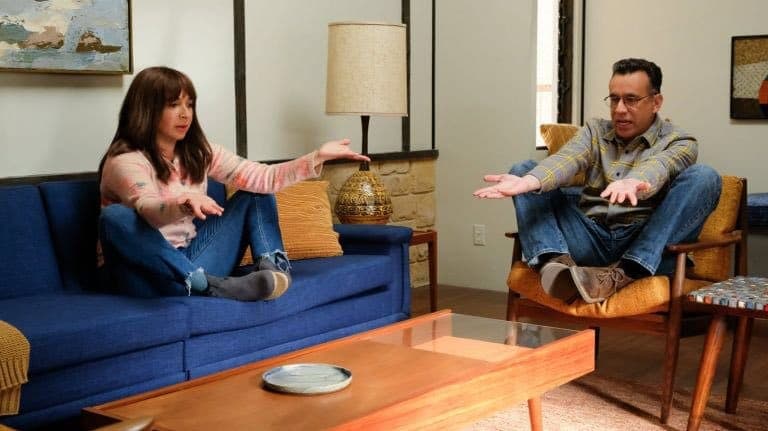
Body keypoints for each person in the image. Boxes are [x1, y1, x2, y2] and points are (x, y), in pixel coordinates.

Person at [97, 66, 369, 301]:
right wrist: (182, 204)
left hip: (196, 263)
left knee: (256, 193)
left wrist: (316, 157)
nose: (185, 114)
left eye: (189, 104)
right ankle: (208, 285)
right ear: (146, 109)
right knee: (115, 217)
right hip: (146, 275)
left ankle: (273, 274)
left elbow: (263, 177)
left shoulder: (199, 153)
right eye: (173, 105)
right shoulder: (125, 161)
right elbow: (148, 208)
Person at [473, 58, 721, 304]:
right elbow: (568, 158)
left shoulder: (681, 142)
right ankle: (556, 266)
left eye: (631, 99)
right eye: (614, 99)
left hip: (642, 241)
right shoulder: (595, 131)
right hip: (588, 236)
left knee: (705, 177)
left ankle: (625, 272)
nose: (620, 109)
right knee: (523, 170)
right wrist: (529, 182)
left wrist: (634, 181)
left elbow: (661, 164)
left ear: (656, 102)